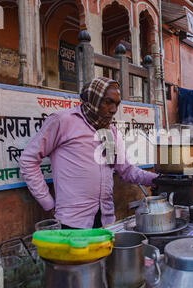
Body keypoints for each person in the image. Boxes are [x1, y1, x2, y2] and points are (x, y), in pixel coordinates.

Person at [19, 77, 158, 229]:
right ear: (94, 99)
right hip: (72, 222)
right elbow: (28, 160)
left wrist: (157, 179)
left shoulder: (110, 131)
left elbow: (126, 170)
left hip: (105, 220)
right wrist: (47, 202)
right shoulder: (63, 121)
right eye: (108, 102)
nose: (113, 109)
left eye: (117, 104)